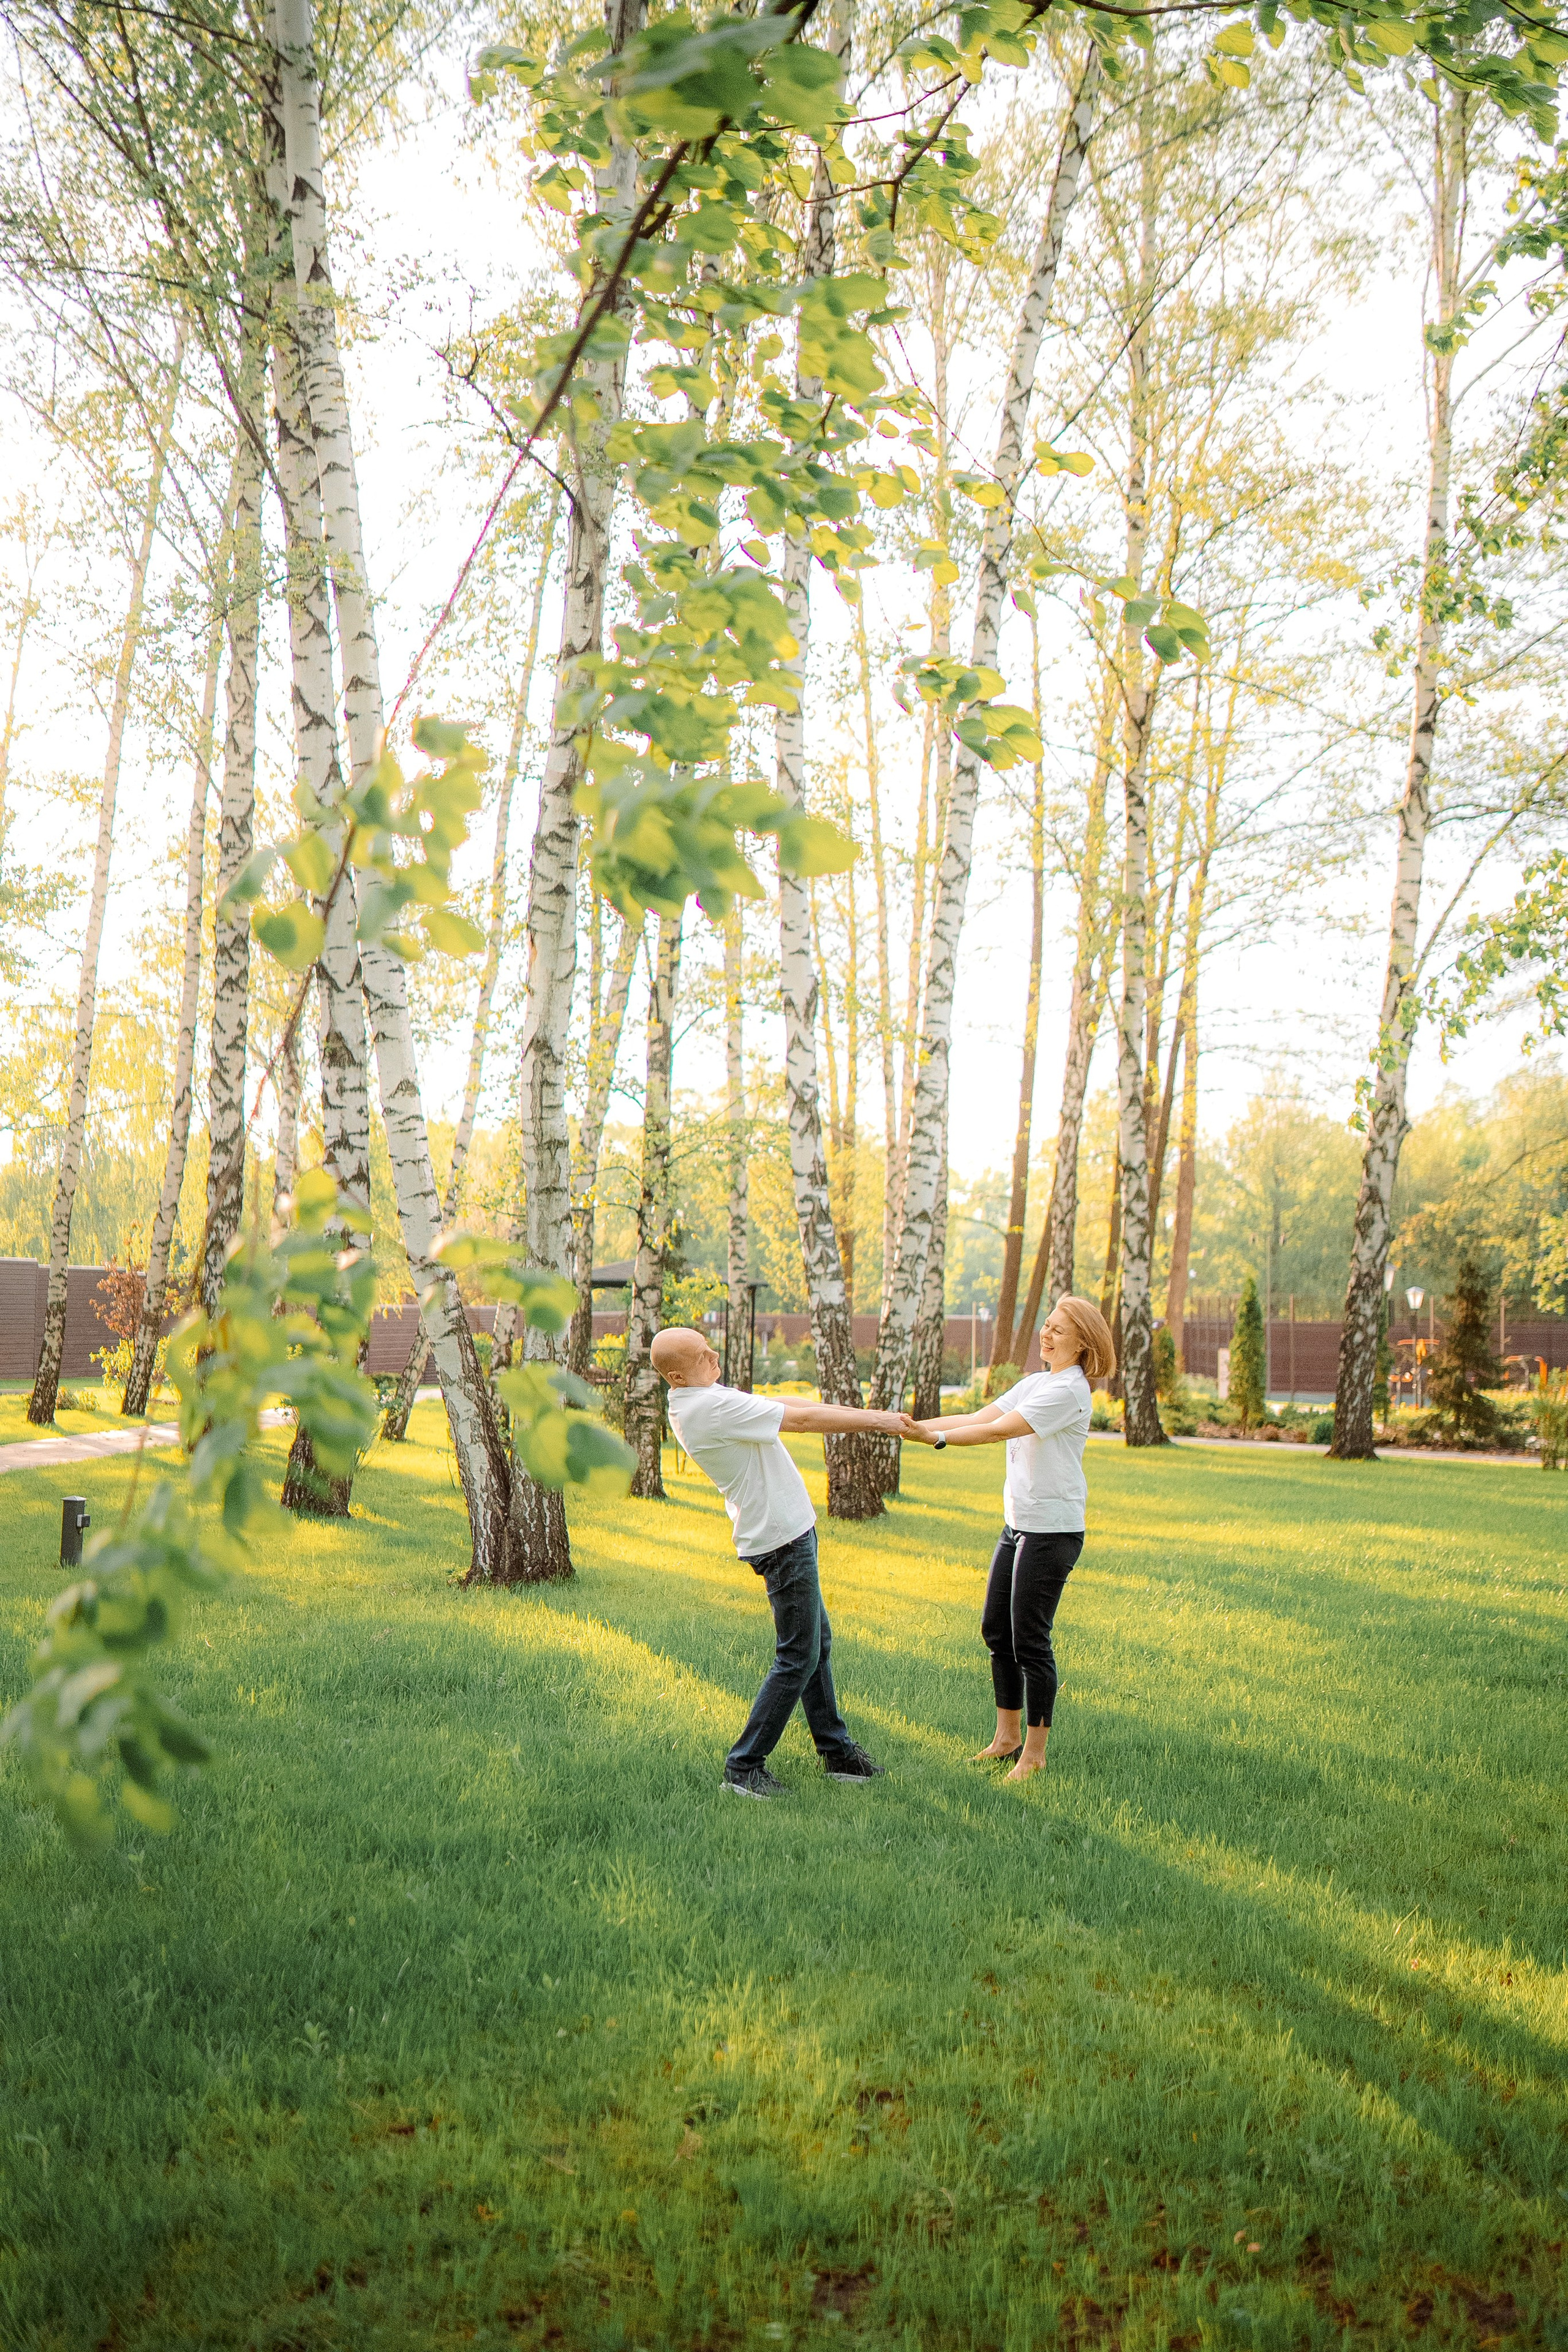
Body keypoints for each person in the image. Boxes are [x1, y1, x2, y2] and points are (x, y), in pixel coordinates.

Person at [650, 1325, 934, 1800]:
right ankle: (744, 1767)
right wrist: (877, 1423)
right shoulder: (708, 1407)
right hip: (781, 1541)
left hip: (788, 1532)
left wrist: (871, 1414)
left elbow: (786, 1403)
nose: (714, 1355)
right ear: (677, 1375)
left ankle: (838, 1754)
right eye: (702, 1355)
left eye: (710, 1346)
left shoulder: (699, 1396)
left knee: (815, 1644)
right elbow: (799, 1422)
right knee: (798, 1655)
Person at [911, 1295, 1115, 1785]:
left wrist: (933, 1438)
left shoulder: (1068, 1391)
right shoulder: (1037, 1382)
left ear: (1082, 1344)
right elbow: (978, 1417)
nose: (1046, 1334)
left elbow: (996, 1432)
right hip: (1019, 1525)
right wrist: (916, 1427)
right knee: (996, 1631)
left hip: (1052, 1530)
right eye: (1047, 1325)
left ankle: (1035, 1755)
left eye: (1059, 1331)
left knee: (1030, 1641)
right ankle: (1006, 1740)